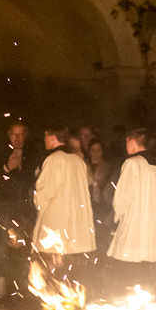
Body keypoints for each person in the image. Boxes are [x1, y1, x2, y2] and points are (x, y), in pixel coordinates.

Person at [107, 128, 156, 296]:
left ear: (131, 143)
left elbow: (123, 198)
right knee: (150, 279)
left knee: (130, 277)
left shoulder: (132, 164)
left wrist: (117, 216)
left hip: (136, 229)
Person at [33, 123, 96, 286]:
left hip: (56, 221)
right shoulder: (78, 161)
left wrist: (36, 198)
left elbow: (44, 192)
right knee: (70, 264)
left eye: (46, 136)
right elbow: (87, 184)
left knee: (54, 263)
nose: (44, 139)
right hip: (75, 222)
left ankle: (55, 294)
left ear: (52, 137)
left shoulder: (53, 160)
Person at [0, 121, 38, 301]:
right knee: (3, 245)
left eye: (20, 134)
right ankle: (0, 290)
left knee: (24, 247)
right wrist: (7, 168)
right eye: (14, 134)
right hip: (5, 206)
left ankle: (22, 288)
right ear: (9, 134)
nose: (17, 138)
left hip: (24, 208)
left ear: (25, 135)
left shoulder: (32, 156)